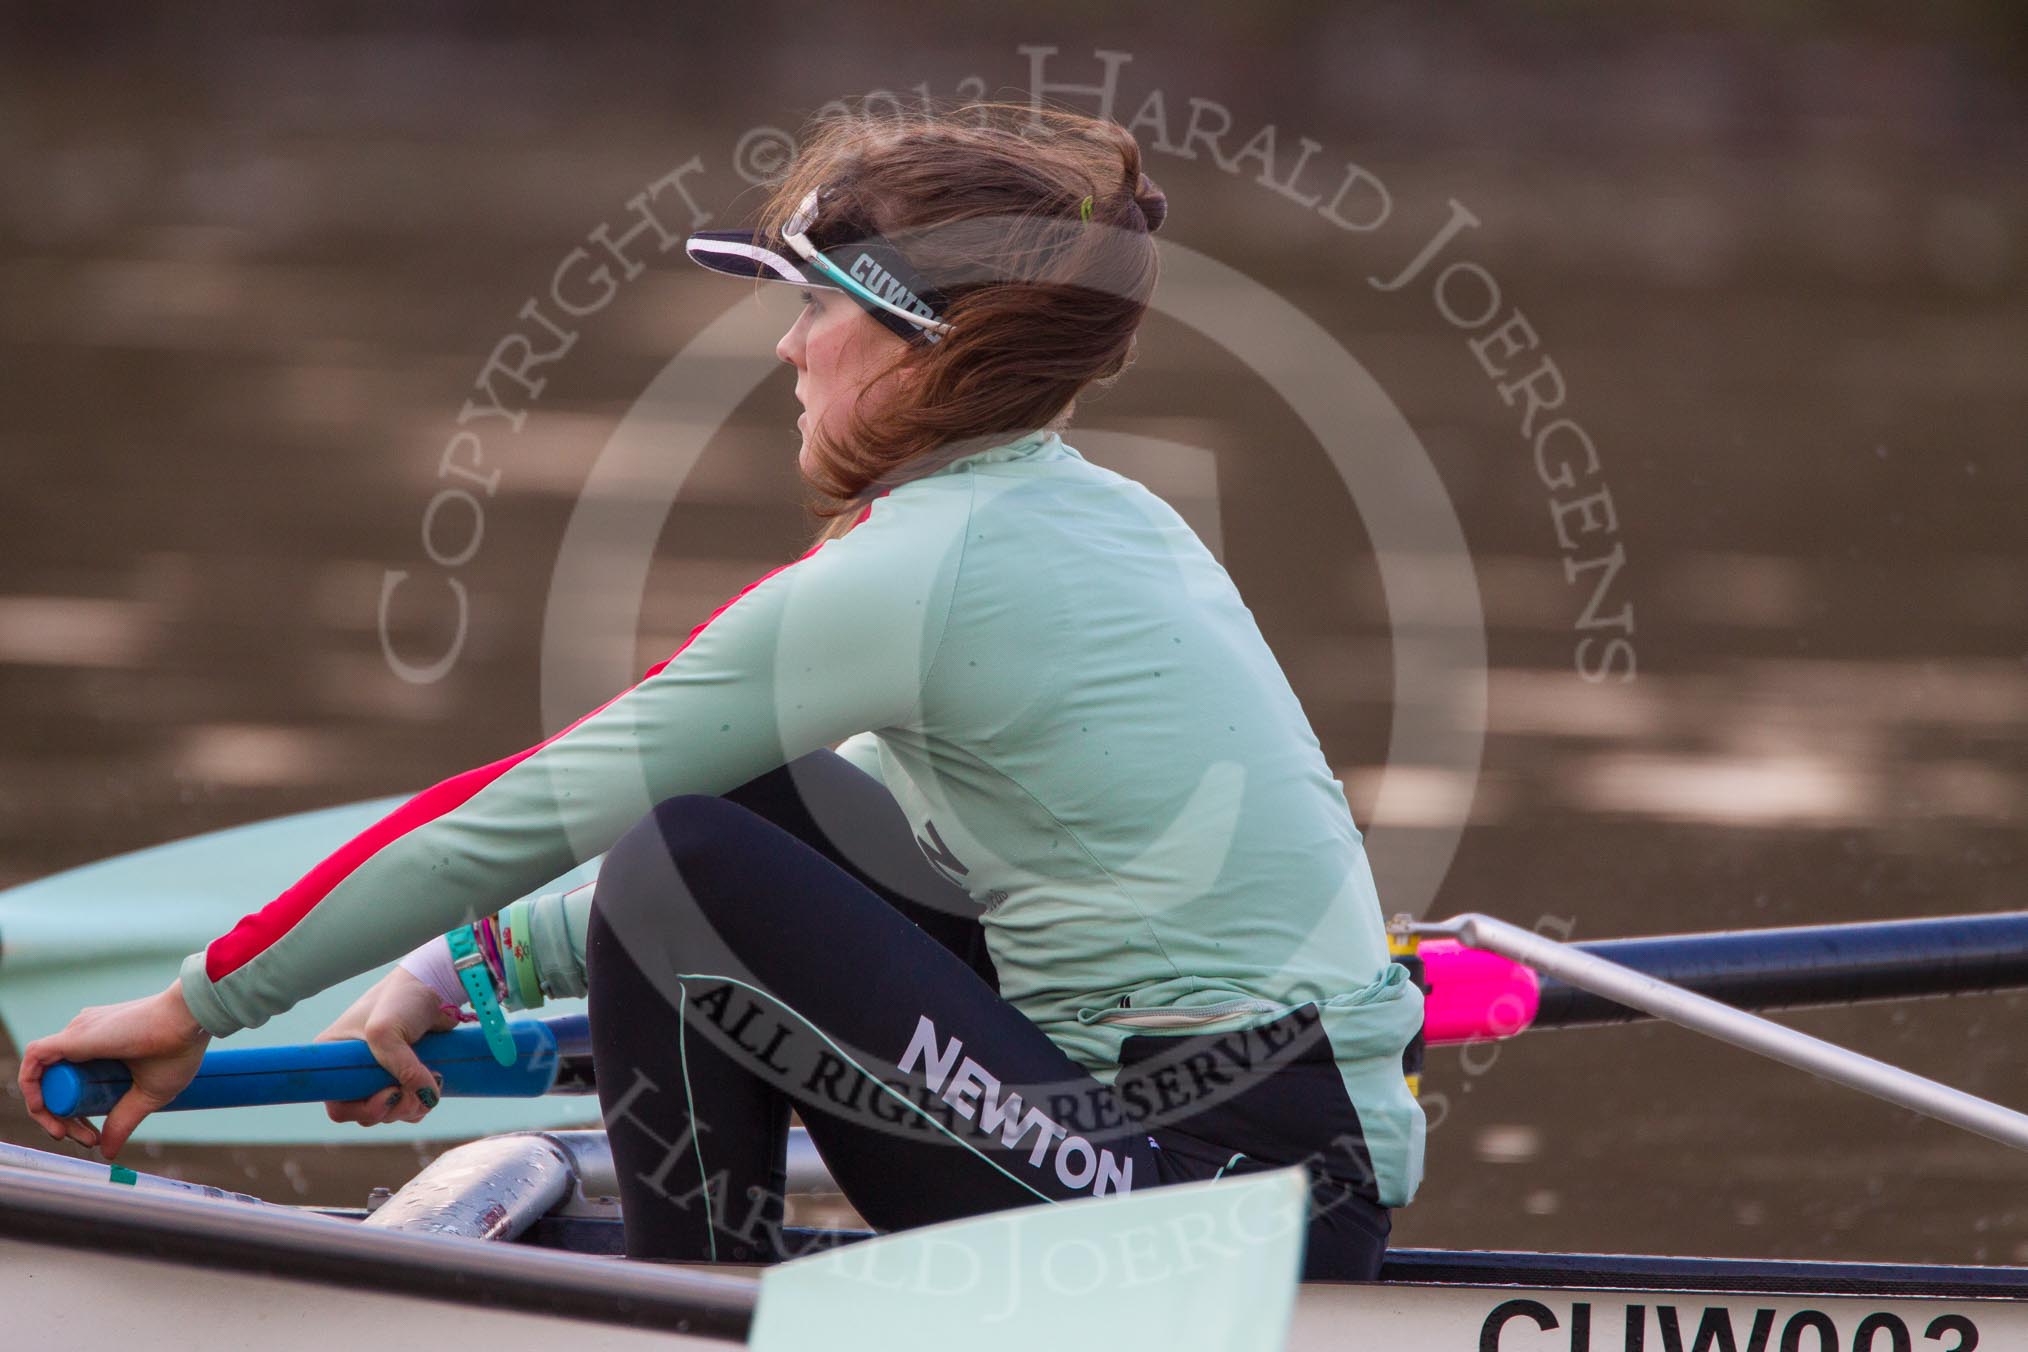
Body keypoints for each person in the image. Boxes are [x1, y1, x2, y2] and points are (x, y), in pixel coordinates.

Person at [17, 103, 1424, 1280]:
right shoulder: (1098, 519)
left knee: (686, 853)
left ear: (926, 345)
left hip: (1213, 1208)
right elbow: (839, 838)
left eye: (814, 307)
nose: (783, 348)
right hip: (1250, 1167)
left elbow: (537, 804)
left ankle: (687, 1301)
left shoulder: (918, 570)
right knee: (760, 811)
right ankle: (704, 1274)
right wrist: (464, 969)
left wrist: (200, 1004)